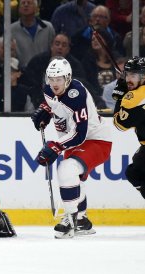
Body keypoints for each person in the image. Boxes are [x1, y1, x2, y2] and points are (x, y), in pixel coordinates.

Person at [31, 57, 112, 239]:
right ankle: (82, 220)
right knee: (73, 179)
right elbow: (54, 105)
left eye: (58, 79)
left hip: (95, 139)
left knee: (66, 169)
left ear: (67, 78)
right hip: (73, 140)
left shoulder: (77, 94)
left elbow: (81, 133)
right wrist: (46, 111)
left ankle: (70, 219)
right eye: (51, 79)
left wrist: (56, 146)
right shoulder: (48, 90)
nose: (54, 84)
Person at [112, 57, 145, 201]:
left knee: (134, 173)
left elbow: (120, 124)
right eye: (128, 75)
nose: (129, 79)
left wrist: (120, 97)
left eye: (134, 75)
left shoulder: (136, 96)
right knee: (135, 172)